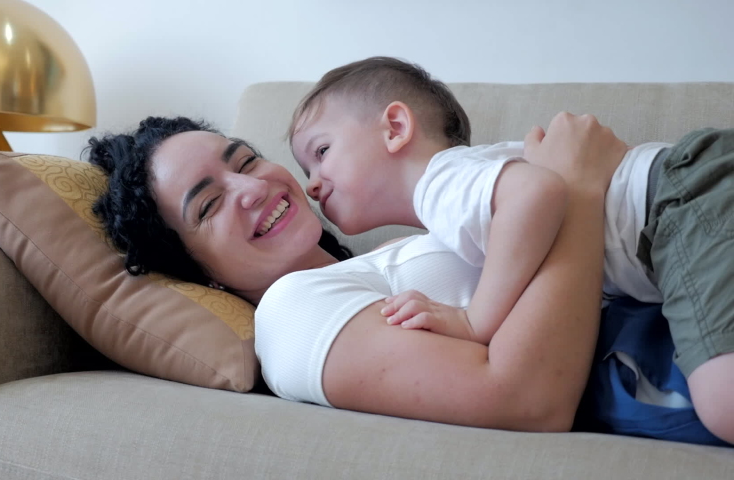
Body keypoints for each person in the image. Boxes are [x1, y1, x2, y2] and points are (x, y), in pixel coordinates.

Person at [286, 56, 734, 443]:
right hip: (683, 204)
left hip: (683, 199)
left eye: (322, 151)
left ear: (396, 128)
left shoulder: (440, 182)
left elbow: (538, 193)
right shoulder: (458, 198)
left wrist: (475, 320)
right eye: (306, 167)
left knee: (723, 400)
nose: (312, 182)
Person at [87, 112, 623, 434]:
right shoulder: (291, 315)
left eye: (245, 161)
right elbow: (528, 400)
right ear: (196, 270)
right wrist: (576, 188)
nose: (251, 189)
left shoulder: (382, 255)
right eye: (207, 206)